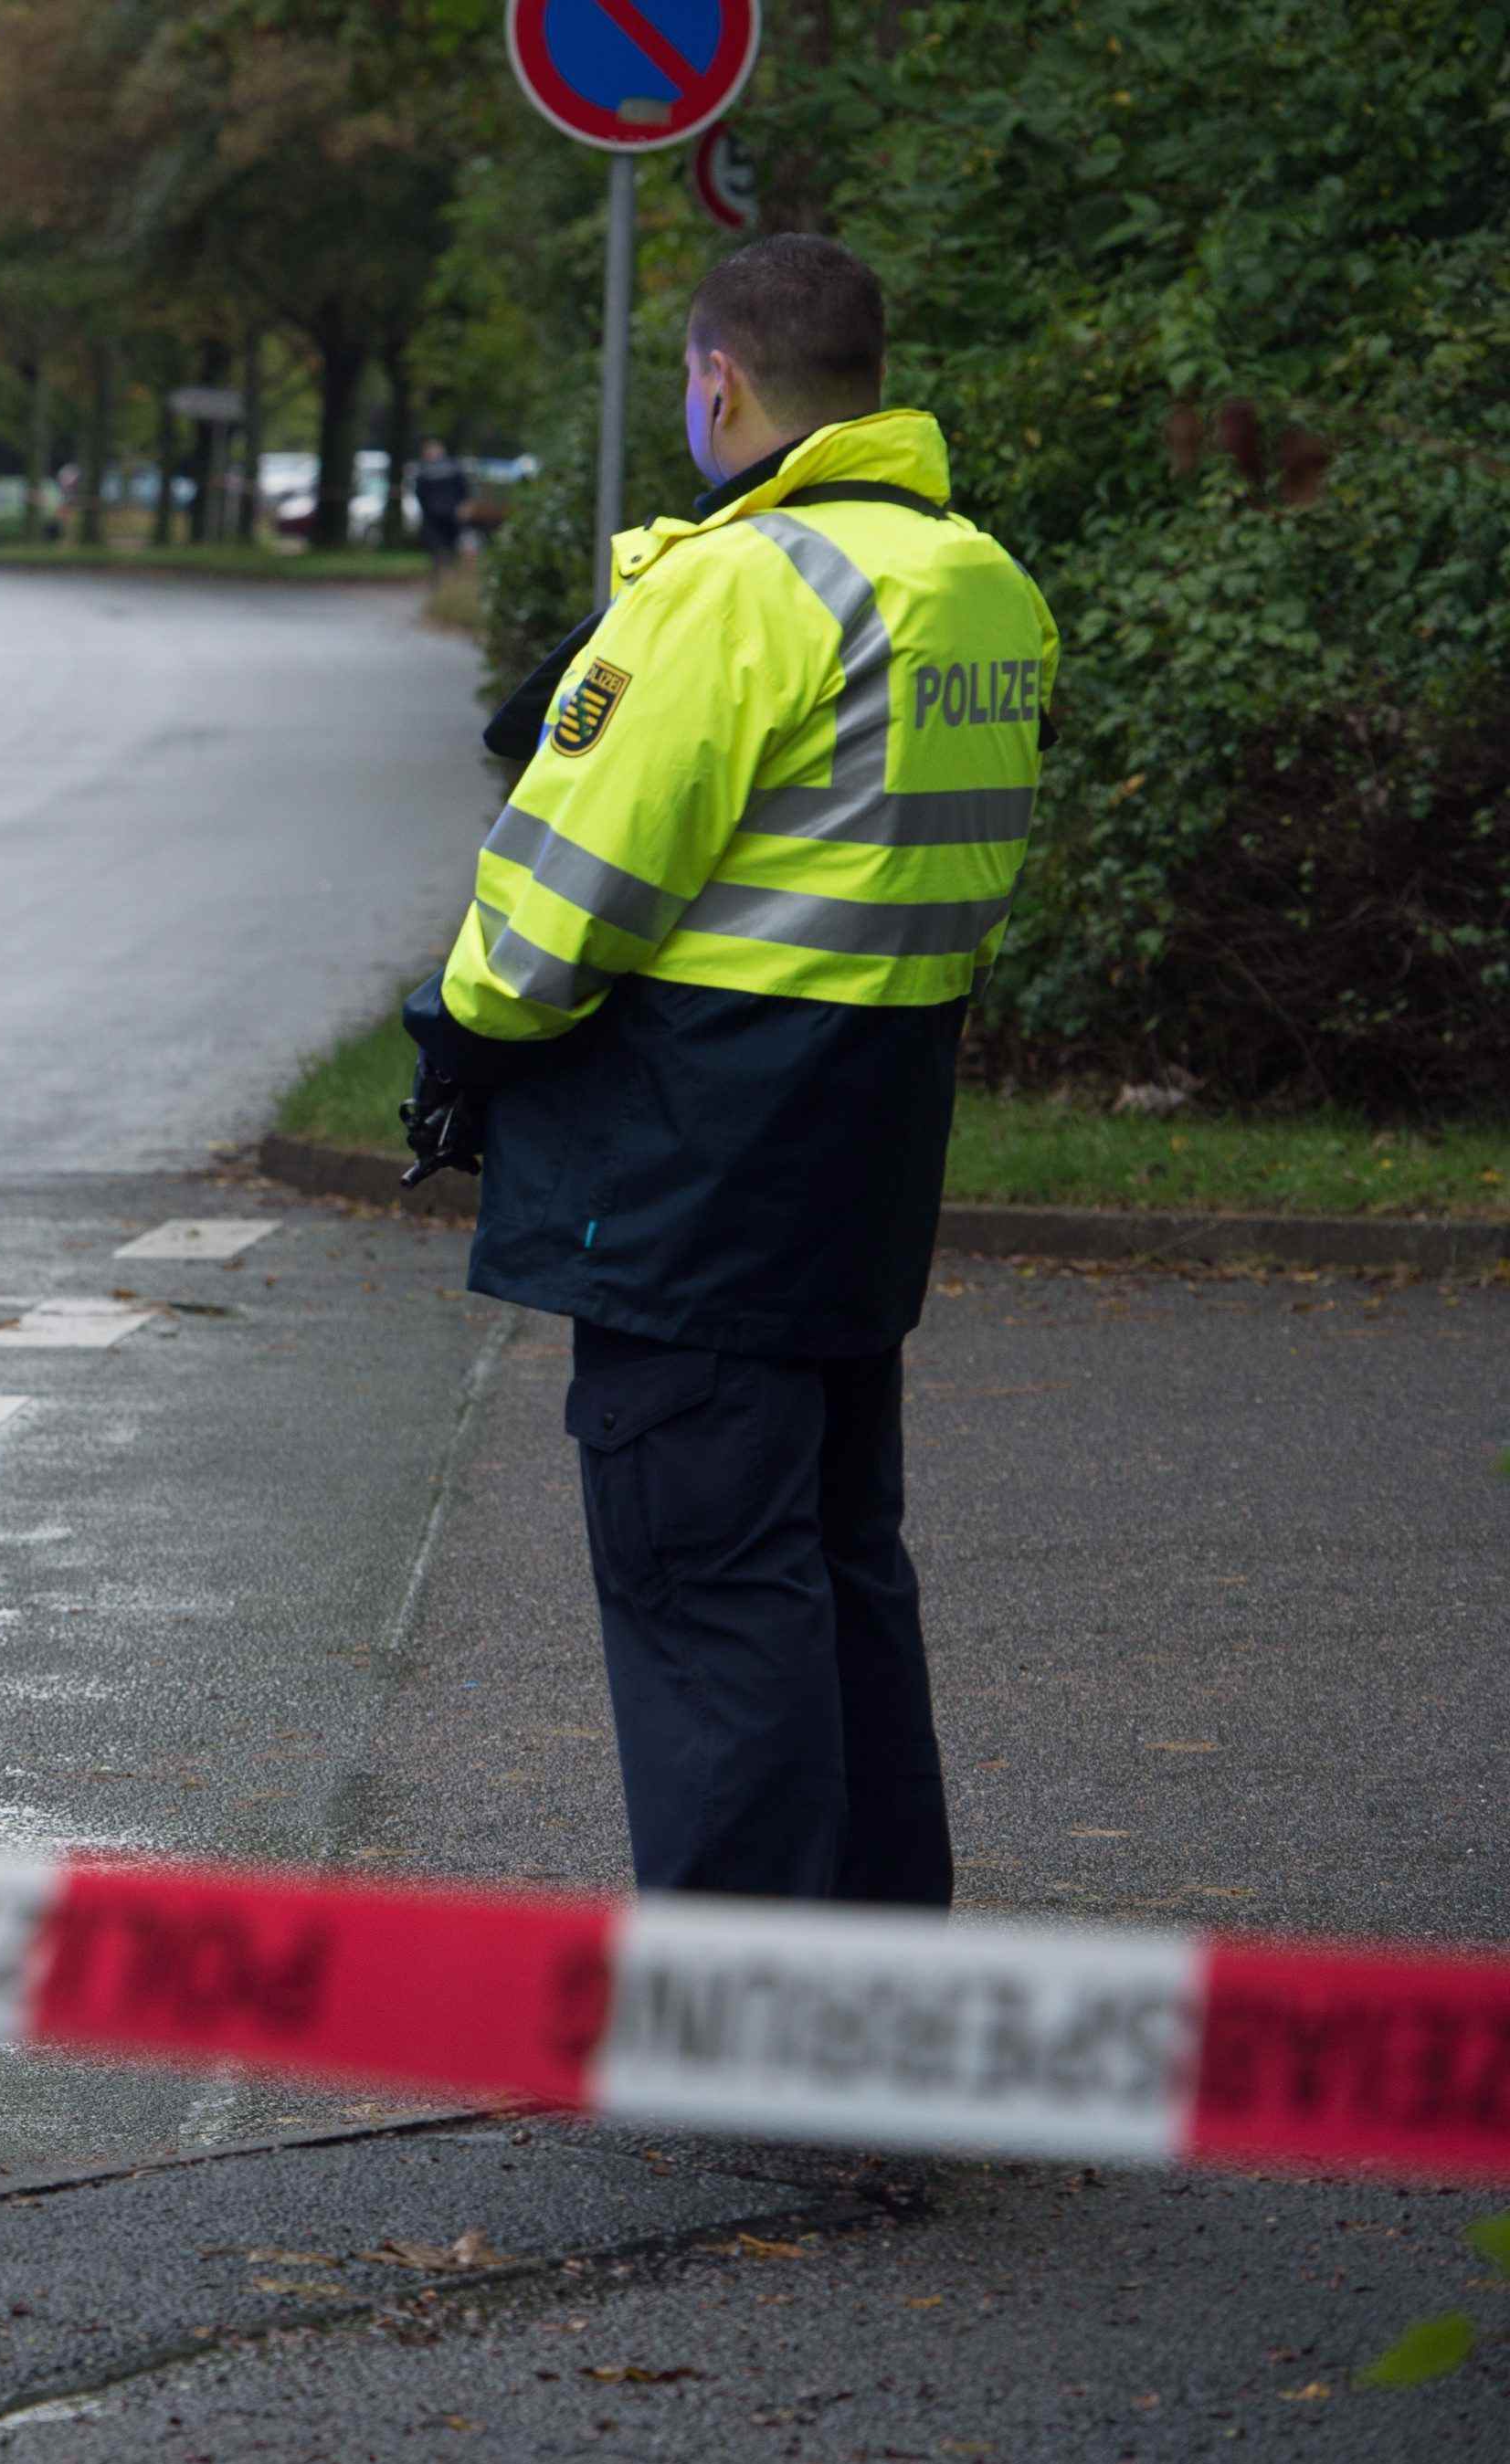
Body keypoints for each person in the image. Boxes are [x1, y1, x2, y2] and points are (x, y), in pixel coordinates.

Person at [397, 233, 1057, 1906]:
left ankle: (747, 2012)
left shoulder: (736, 588)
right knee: (840, 1568)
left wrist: (461, 1029)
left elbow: (560, 904)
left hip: (690, 1167)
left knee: (705, 1585)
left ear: (718, 383)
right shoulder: (977, 581)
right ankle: (874, 1963)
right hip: (864, 1151)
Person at [408, 438, 472, 570]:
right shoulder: (424, 472)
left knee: (451, 544)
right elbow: (420, 495)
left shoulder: (453, 469)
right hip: (432, 515)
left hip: (452, 513)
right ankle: (440, 569)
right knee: (435, 545)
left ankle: (449, 570)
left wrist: (464, 506)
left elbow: (464, 490)